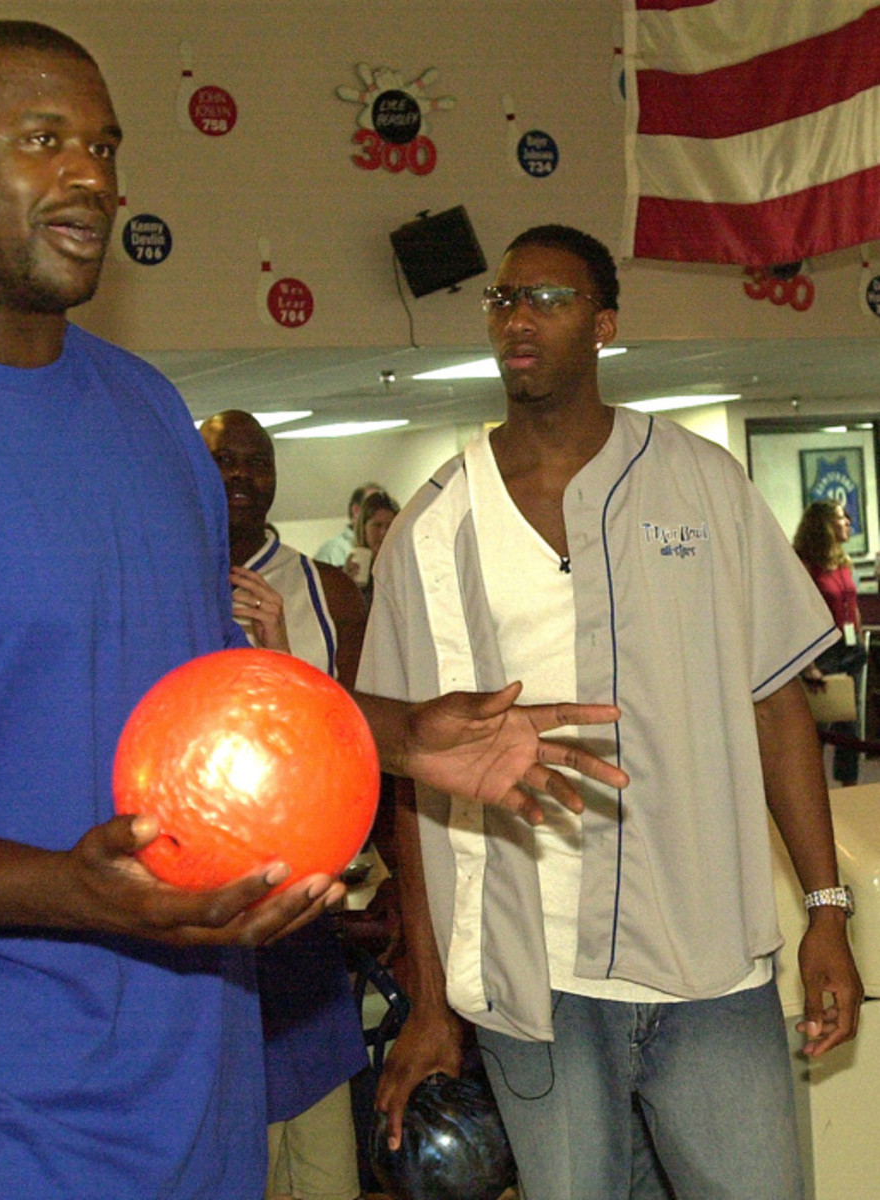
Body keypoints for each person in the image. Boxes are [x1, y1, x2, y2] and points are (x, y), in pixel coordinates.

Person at [0, 28, 628, 1200]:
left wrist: (392, 732)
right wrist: (62, 888)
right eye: (43, 141)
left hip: (200, 1091)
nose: (90, 175)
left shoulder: (144, 415)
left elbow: (203, 695)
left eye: (103, 146)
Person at [359, 224, 863, 1200]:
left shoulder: (702, 486)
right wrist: (429, 999)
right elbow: (413, 785)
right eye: (503, 299)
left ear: (604, 324)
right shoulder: (434, 529)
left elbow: (777, 710)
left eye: (547, 298)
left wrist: (825, 912)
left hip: (709, 961)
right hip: (531, 972)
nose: (519, 317)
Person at [200, 409, 369, 1200]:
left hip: (303, 910)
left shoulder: (326, 590)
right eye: (221, 458)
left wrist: (279, 663)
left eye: (255, 460)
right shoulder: (156, 573)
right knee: (237, 1155)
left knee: (324, 1158)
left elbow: (362, 747)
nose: (240, 474)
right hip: (200, 913)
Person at [794, 499, 868, 785]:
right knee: (819, 727)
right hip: (822, 651)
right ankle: (812, 791)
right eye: (841, 517)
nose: (848, 522)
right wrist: (807, 664)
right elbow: (798, 614)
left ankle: (849, 786)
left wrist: (859, 640)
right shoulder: (806, 564)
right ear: (823, 524)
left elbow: (852, 603)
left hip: (850, 650)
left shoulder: (841, 561)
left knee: (850, 727)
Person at [346, 490, 400, 606]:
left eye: (389, 526)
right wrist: (345, 584)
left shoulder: (402, 566)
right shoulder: (355, 569)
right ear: (364, 529)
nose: (383, 533)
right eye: (377, 525)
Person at [315, 483, 384, 566]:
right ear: (356, 510)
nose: (380, 514)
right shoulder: (332, 551)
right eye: (373, 508)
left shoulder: (386, 550)